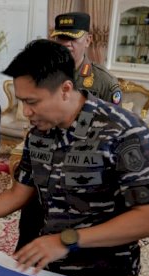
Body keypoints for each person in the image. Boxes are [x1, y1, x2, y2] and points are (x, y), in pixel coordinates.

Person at [0, 39, 149, 276]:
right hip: (48, 270)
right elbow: (17, 194)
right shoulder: (38, 133)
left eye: (32, 102)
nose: (25, 112)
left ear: (66, 89)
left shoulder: (124, 131)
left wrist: (66, 240)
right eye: (22, 101)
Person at [17, 12, 125, 251]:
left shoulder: (103, 82)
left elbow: (113, 132)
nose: (66, 46)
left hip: (81, 178)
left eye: (72, 40)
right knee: (29, 236)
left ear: (88, 40)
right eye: (61, 40)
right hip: (44, 169)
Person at [51, 12, 122, 105]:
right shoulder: (46, 73)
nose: (66, 43)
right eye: (61, 38)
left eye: (72, 38)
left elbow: (115, 118)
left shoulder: (105, 81)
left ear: (87, 40)